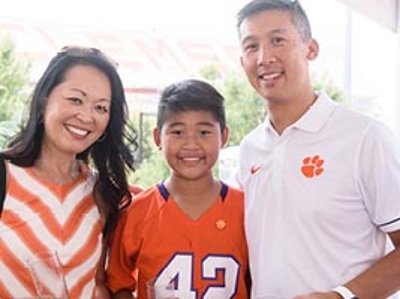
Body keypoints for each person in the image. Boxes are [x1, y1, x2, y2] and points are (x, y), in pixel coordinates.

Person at [235, 0, 400, 298]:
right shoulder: (249, 149)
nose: (264, 57)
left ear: (310, 49)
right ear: (242, 61)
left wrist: (341, 295)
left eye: (277, 40)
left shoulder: (365, 138)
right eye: (251, 46)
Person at [0, 46, 140, 298]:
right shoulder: (6, 176)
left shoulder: (103, 192)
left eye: (101, 108)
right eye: (76, 99)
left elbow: (97, 283)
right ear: (44, 101)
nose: (86, 116)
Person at [106, 79, 249, 298]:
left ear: (224, 136)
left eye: (204, 132)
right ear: (157, 138)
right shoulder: (137, 212)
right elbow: (118, 284)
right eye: (178, 132)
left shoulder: (246, 210)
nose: (191, 144)